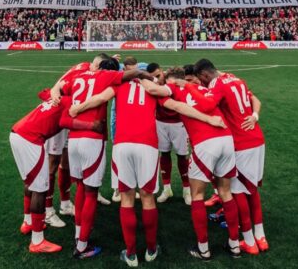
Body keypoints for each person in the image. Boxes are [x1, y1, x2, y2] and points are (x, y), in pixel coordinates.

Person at [70, 73, 225, 266]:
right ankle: (151, 249)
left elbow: (100, 98)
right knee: (147, 197)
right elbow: (177, 106)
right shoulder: (152, 88)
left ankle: (131, 253)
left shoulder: (120, 85)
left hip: (123, 144)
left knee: (126, 198)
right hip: (148, 145)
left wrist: (77, 107)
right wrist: (208, 119)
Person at [46, 55, 149, 259]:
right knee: (91, 192)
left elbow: (58, 91)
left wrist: (55, 90)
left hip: (73, 140)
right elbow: (133, 73)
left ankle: (78, 236)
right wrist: (147, 75)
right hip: (92, 139)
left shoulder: (78, 77)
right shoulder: (107, 77)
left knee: (81, 188)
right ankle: (83, 246)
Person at [188, 58, 268, 254]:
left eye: (201, 80)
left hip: (241, 142)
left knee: (237, 191)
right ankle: (261, 237)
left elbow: (207, 105)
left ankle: (249, 241)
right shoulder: (236, 79)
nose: (202, 83)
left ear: (205, 75)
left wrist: (187, 88)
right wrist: (255, 116)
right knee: (252, 191)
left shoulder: (216, 84)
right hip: (256, 137)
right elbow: (255, 99)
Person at [9, 89, 103, 254]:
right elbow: (65, 121)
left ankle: (28, 222)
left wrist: (54, 93)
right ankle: (37, 241)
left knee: (30, 183)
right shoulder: (70, 102)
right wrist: (92, 125)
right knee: (40, 189)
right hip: (30, 139)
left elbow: (43, 93)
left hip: (17, 132)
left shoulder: (61, 98)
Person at [166, 66, 244, 260]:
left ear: (173, 81)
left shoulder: (174, 89)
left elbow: (159, 93)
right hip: (226, 139)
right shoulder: (204, 89)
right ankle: (235, 246)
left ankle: (204, 249)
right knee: (225, 192)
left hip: (205, 144)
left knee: (197, 195)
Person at [149, 63, 192, 205]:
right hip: (160, 123)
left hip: (179, 125)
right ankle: (167, 188)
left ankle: (187, 190)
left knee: (182, 156)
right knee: (164, 153)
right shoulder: (162, 85)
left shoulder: (184, 87)